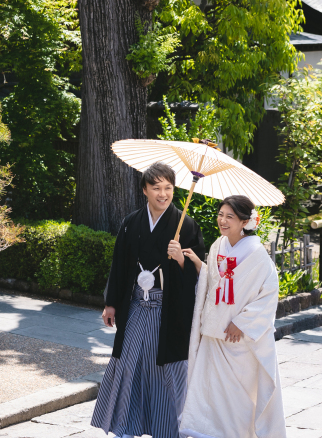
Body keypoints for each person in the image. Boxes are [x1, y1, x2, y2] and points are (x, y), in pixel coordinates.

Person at [91, 162, 206, 438]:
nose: (163, 194)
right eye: (156, 188)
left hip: (167, 311)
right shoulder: (132, 222)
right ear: (145, 190)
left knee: (164, 370)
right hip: (135, 307)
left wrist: (181, 260)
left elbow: (199, 272)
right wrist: (111, 303)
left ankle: (167, 430)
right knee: (128, 364)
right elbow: (119, 264)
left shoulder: (186, 224)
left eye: (168, 188)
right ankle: (126, 426)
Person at [179, 195, 286, 438]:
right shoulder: (218, 245)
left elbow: (268, 294)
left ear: (245, 222)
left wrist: (242, 322)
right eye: (221, 215)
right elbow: (214, 282)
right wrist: (198, 264)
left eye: (230, 217)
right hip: (214, 332)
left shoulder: (258, 254)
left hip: (239, 339)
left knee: (237, 395)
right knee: (210, 390)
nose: (222, 221)